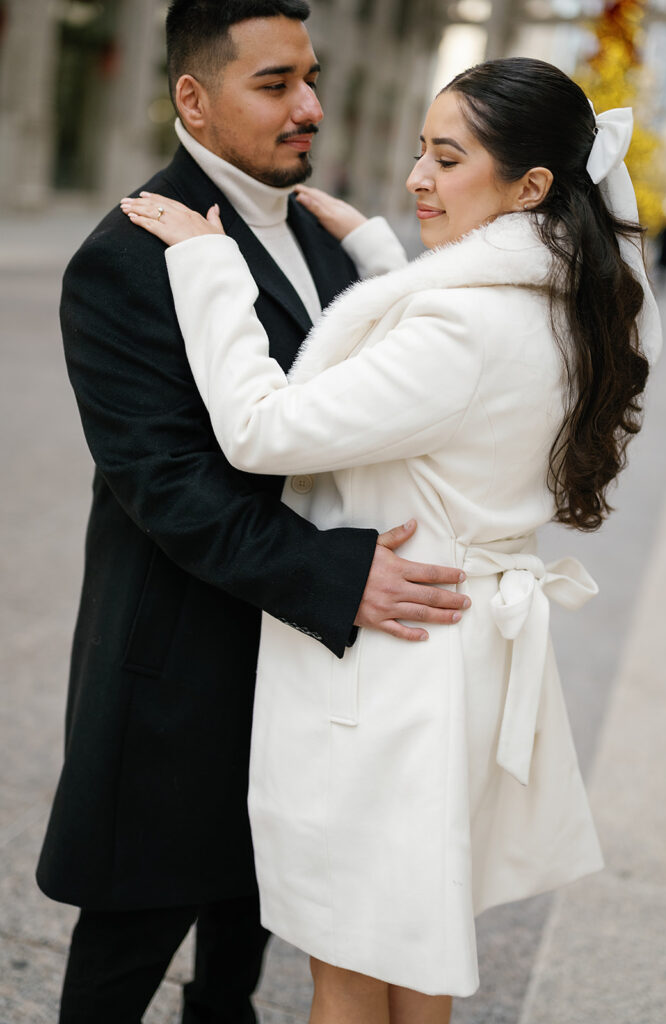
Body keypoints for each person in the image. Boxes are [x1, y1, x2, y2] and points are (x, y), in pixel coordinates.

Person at [123, 57, 662, 1023]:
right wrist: (380, 255)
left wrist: (208, 267)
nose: (416, 176)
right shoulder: (573, 303)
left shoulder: (459, 329)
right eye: (418, 149)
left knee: (346, 964)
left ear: (529, 187)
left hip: (391, 677)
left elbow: (264, 426)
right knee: (415, 952)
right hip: (462, 655)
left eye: (446, 159)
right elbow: (439, 376)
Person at [36, 3, 471, 1022]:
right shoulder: (127, 255)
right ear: (191, 96)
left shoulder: (315, 231)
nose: (308, 107)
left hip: (298, 672)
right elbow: (165, 484)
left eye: (309, 78)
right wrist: (337, 574)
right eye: (274, 85)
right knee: (125, 949)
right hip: (178, 668)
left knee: (245, 939)